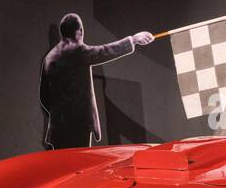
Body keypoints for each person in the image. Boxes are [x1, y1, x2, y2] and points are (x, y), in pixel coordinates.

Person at [40, 13, 153, 149]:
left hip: (58, 130)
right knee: (80, 166)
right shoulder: (78, 52)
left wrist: (59, 115)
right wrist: (133, 40)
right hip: (79, 127)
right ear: (79, 32)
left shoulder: (50, 57)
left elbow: (44, 96)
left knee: (63, 166)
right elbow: (105, 51)